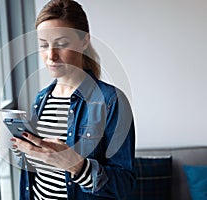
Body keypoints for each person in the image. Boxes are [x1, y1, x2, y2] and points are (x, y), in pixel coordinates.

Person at [10, 0, 136, 199]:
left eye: (61, 44)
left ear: (84, 41)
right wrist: (21, 148)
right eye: (43, 45)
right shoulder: (41, 99)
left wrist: (76, 165)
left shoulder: (112, 102)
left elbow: (125, 186)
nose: (51, 56)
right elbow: (40, 167)